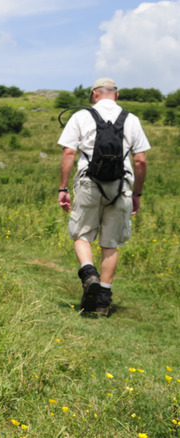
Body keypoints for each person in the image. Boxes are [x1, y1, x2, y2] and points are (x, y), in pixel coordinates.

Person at [57, 77, 149, 317]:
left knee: (81, 234)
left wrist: (63, 188)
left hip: (89, 183)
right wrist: (137, 194)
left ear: (94, 95)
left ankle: (89, 274)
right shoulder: (132, 119)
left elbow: (68, 152)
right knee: (111, 244)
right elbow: (140, 160)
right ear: (116, 95)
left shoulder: (80, 117)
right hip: (121, 186)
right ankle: (102, 303)